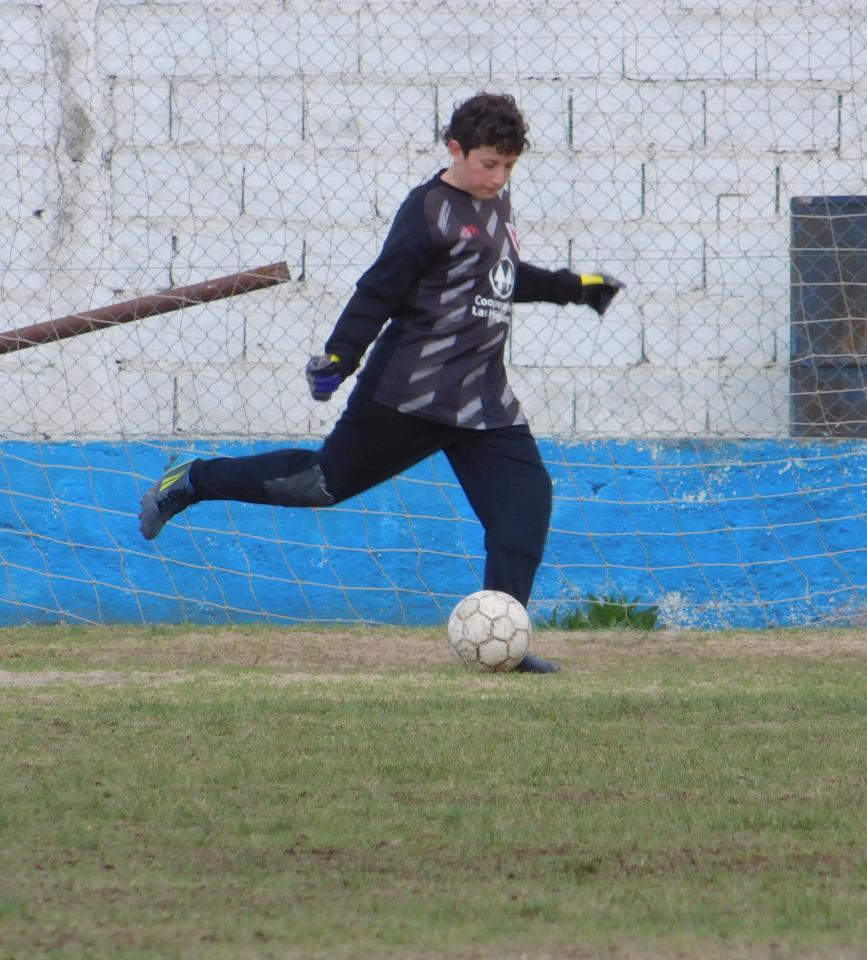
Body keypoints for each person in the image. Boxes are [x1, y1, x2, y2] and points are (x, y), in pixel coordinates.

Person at [138, 93, 624, 673]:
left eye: (508, 166)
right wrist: (341, 356)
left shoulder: (495, 203)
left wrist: (574, 287)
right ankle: (191, 479)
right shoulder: (428, 210)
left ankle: (503, 645)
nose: (498, 177)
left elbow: (497, 275)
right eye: (488, 164)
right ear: (455, 150)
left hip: (484, 403)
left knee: (525, 506)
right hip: (409, 397)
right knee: (316, 484)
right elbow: (380, 289)